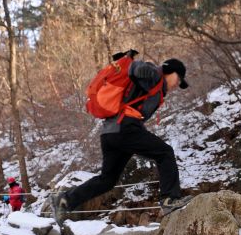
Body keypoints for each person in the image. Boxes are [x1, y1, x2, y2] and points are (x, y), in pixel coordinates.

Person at [50, 54, 189, 225]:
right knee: (165, 153)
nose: (177, 84)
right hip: (124, 129)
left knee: (107, 180)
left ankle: (65, 199)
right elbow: (135, 69)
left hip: (110, 133)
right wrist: (142, 65)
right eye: (178, 78)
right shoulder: (154, 75)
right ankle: (170, 199)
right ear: (170, 71)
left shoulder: (157, 85)